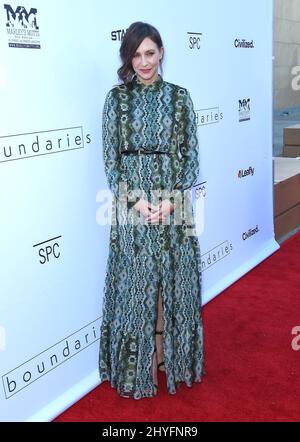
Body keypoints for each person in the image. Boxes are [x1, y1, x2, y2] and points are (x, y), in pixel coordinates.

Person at [98, 21, 205, 400]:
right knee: (135, 288)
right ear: (128, 56)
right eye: (136, 54)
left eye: (150, 52)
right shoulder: (116, 100)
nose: (144, 62)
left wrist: (172, 199)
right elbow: (111, 162)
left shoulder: (180, 97)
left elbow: (191, 158)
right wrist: (135, 200)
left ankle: (173, 361)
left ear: (161, 53)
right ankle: (134, 368)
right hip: (132, 207)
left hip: (174, 207)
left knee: (176, 284)